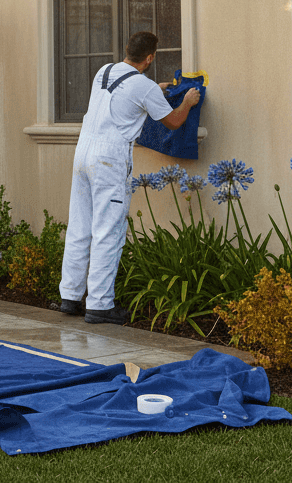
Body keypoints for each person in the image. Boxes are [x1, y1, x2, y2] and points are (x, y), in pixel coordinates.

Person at [58, 31, 200, 325]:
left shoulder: (105, 71)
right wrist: (186, 101)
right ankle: (99, 305)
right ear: (150, 58)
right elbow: (173, 121)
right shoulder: (144, 87)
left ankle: (69, 298)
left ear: (127, 50)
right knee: (108, 230)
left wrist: (153, 92)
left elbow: (125, 97)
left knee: (80, 226)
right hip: (110, 159)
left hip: (83, 153)